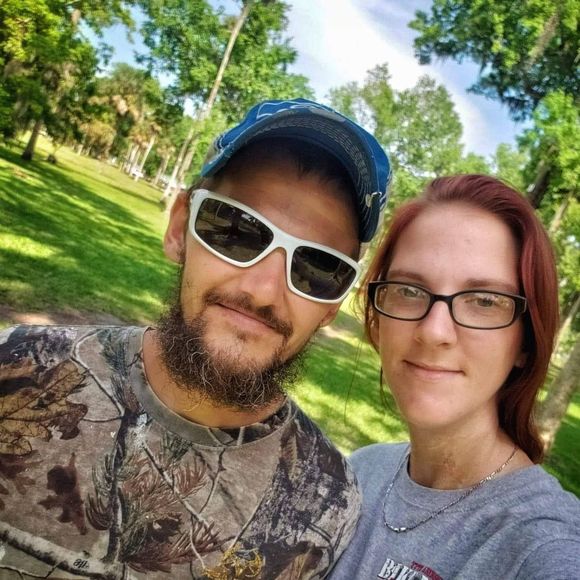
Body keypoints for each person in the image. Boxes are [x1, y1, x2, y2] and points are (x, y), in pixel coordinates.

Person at [0, 98, 392, 579]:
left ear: (332, 305)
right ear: (178, 229)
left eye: (318, 267)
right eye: (236, 230)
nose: (262, 291)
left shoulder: (326, 509)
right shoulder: (16, 369)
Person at [330, 174, 580, 579]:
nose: (434, 332)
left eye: (485, 301)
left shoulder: (544, 546)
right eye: (409, 290)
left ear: (526, 343)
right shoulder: (360, 472)